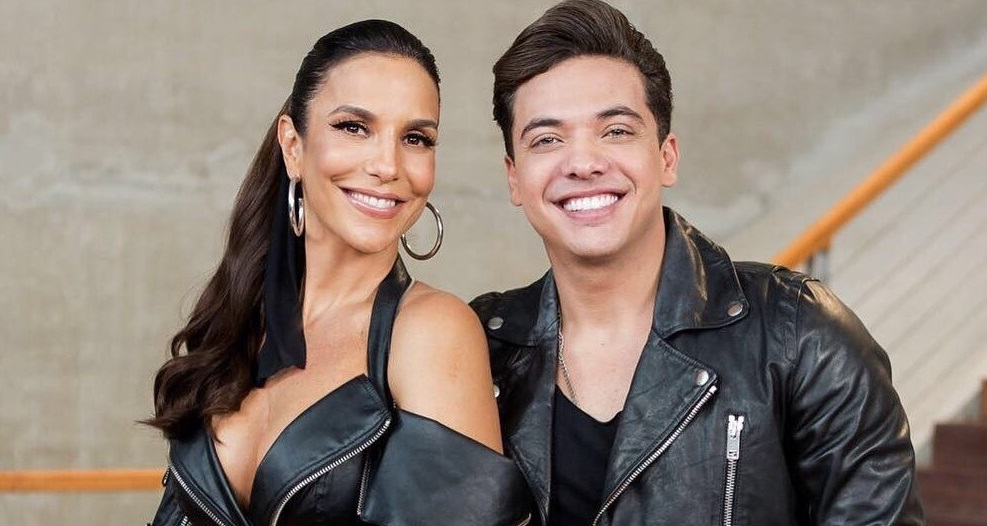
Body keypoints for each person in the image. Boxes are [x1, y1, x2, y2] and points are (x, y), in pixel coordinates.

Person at [470, 1, 926, 525]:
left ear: (666, 157)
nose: (583, 163)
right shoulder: (480, 347)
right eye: (547, 140)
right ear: (514, 177)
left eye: (616, 130)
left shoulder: (797, 333)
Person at [145, 20, 528, 526]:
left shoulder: (432, 331)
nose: (388, 165)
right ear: (293, 145)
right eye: (354, 127)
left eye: (415, 138)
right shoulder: (241, 322)